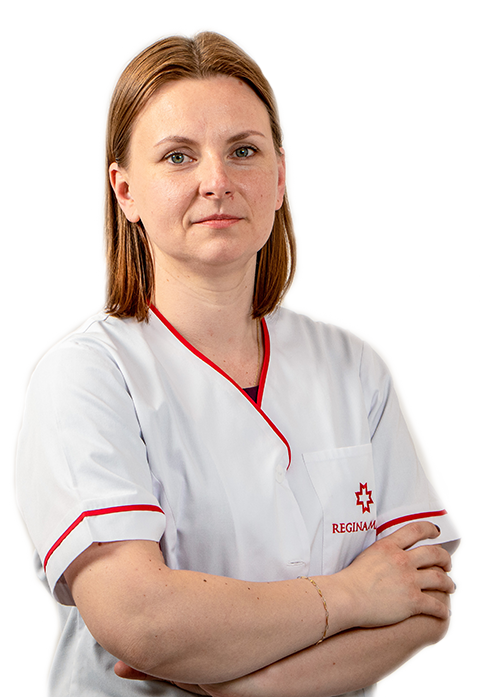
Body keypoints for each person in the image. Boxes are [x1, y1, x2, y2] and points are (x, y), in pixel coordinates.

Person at [15, 29, 461, 697]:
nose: (217, 182)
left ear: (279, 178)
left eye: (243, 151)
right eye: (178, 156)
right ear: (125, 191)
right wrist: (350, 594)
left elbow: (423, 603)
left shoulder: (354, 368)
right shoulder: (86, 377)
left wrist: (242, 690)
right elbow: (142, 618)